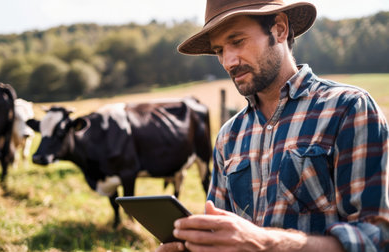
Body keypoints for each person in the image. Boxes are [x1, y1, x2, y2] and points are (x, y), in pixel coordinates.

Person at [156, 0, 389, 251]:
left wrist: (268, 243)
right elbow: (222, 236)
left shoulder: (348, 108)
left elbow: (376, 238)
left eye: (237, 41)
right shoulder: (228, 137)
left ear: (279, 29)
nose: (228, 62)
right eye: (220, 50)